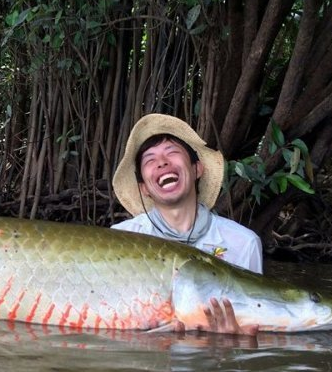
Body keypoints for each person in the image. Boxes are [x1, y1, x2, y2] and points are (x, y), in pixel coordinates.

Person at [111, 113, 263, 335]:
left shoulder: (243, 243)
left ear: (196, 169)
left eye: (172, 152)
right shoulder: (121, 240)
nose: (162, 162)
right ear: (144, 188)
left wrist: (232, 344)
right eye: (150, 160)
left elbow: (258, 325)